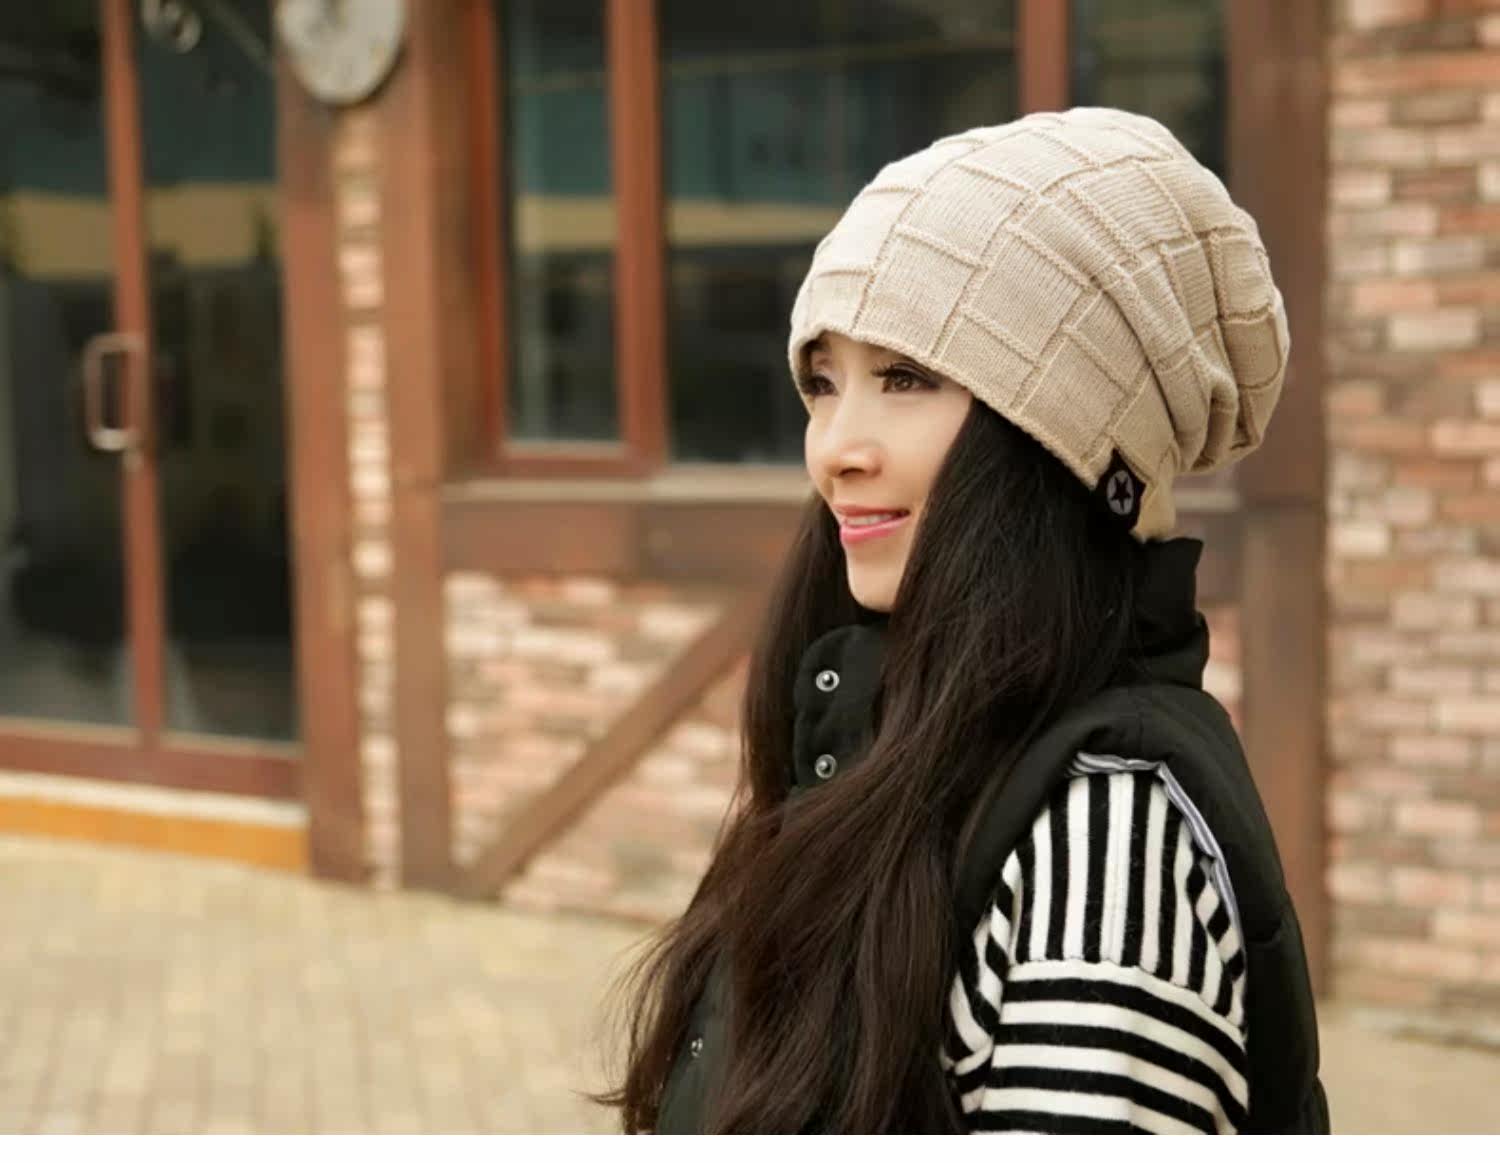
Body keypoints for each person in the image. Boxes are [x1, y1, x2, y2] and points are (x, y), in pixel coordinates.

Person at [600, 107, 1327, 1134]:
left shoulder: (1105, 848)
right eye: (824, 382)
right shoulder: (876, 735)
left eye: (906, 378)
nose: (835, 448)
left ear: (1066, 440)